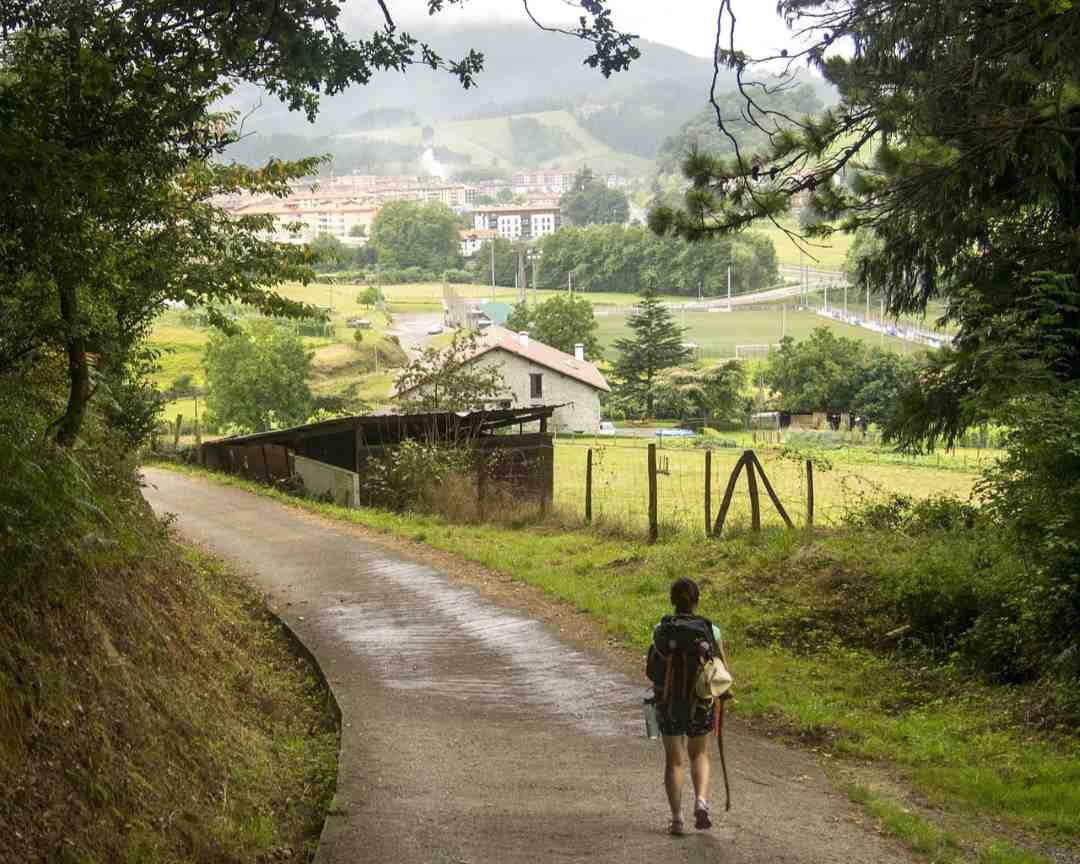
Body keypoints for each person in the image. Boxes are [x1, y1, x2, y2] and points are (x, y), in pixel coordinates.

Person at [649, 577, 725, 836]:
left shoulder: (660, 628)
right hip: (699, 704)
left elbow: (651, 670)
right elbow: (720, 671)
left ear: (672, 601)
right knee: (700, 755)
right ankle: (701, 802)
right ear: (697, 600)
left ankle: (676, 819)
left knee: (674, 761)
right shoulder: (710, 629)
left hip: (668, 703)